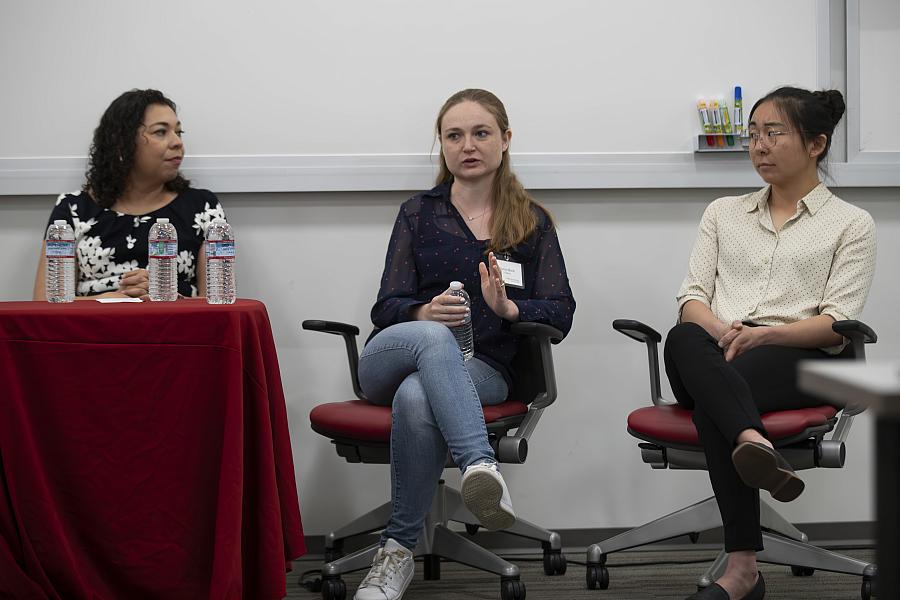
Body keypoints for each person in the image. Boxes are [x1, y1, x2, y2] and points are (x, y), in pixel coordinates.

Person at [353, 89, 575, 600]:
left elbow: (562, 311)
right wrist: (421, 312)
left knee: (417, 394)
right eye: (454, 135)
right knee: (430, 342)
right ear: (442, 145)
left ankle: (396, 553)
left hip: (485, 368)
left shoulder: (531, 222)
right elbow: (385, 307)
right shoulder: (418, 213)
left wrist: (510, 310)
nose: (467, 145)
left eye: (480, 133)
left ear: (505, 139)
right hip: (391, 357)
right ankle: (481, 464)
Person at [666, 87, 876, 600]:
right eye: (753, 133)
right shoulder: (722, 213)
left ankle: (741, 570)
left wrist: (764, 336)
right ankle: (753, 442)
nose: (759, 145)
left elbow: (837, 321)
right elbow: (693, 298)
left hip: (797, 357)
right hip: (715, 350)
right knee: (682, 335)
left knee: (721, 398)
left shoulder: (851, 223)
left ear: (816, 144)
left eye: (774, 132)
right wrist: (724, 332)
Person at [32, 89, 225, 301]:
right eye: (161, 132)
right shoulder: (74, 208)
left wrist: (168, 296)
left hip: (176, 328)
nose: (177, 142)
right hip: (93, 330)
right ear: (122, 143)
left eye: (178, 132)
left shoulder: (202, 207)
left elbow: (220, 300)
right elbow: (45, 301)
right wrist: (109, 300)